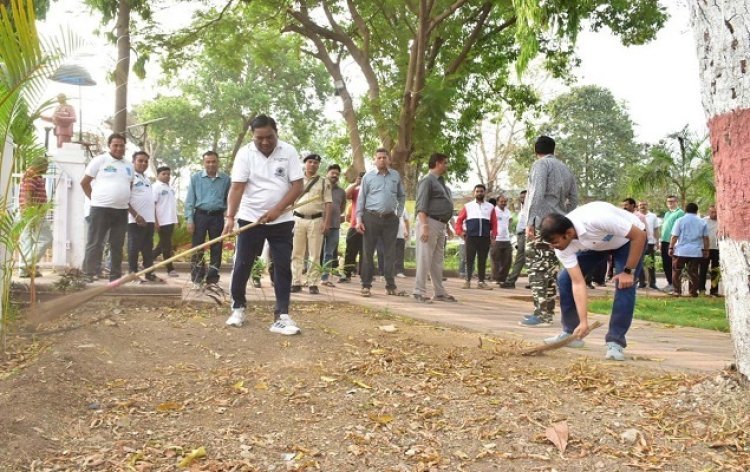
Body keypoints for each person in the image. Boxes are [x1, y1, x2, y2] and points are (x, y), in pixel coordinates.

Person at [223, 114, 304, 335]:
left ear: (276, 132)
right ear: (253, 136)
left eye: (269, 137)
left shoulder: (288, 152)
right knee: (242, 264)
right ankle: (238, 308)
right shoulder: (244, 153)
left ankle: (282, 315)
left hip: (282, 220)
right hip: (250, 218)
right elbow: (237, 187)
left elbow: (298, 186)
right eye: (260, 138)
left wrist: (278, 209)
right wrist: (230, 217)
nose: (265, 142)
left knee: (281, 265)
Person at [539, 202, 647, 361]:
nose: (554, 247)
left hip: (628, 240)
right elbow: (578, 282)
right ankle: (573, 333)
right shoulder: (562, 244)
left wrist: (628, 272)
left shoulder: (597, 220)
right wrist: (584, 322)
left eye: (555, 242)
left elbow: (639, 236)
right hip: (598, 245)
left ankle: (615, 342)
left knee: (624, 285)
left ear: (568, 233)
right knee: (565, 279)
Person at [519, 136, 578, 327]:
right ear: (554, 149)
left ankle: (541, 314)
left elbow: (536, 192)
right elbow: (574, 197)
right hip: (559, 224)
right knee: (551, 269)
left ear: (536, 149)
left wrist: (531, 221)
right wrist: (565, 218)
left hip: (542, 223)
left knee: (537, 268)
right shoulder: (565, 168)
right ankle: (548, 312)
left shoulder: (540, 165)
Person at [81, 133, 133, 282]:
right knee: (95, 242)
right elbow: (84, 183)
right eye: (115, 145)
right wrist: (95, 200)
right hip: (100, 209)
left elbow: (129, 186)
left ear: (125, 147)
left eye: (121, 145)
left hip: (121, 211)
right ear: (109, 146)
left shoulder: (129, 165)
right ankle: (88, 274)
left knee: (117, 244)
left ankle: (115, 276)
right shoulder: (100, 160)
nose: (118, 148)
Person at [356, 148, 406, 298]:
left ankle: (390, 285)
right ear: (375, 160)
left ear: (389, 160)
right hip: (371, 218)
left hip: (390, 219)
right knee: (368, 253)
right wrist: (359, 220)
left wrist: (398, 213)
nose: (382, 160)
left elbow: (401, 196)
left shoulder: (395, 176)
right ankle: (366, 285)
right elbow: (361, 199)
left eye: (385, 157)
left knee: (390, 253)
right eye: (379, 158)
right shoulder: (368, 177)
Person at [412, 152, 455, 303]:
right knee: (424, 258)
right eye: (445, 163)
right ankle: (419, 291)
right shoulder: (427, 181)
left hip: (440, 224)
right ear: (437, 163)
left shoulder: (440, 182)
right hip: (429, 223)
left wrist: (447, 225)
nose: (446, 166)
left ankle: (439, 292)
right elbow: (421, 206)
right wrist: (424, 226)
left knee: (437, 260)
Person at [184, 151, 231, 287]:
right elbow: (190, 200)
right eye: (208, 162)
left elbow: (229, 200)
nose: (211, 164)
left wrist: (229, 218)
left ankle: (212, 279)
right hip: (200, 216)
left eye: (213, 161)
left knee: (217, 247)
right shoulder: (196, 178)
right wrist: (189, 219)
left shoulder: (226, 179)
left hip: (217, 217)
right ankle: (197, 278)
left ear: (218, 162)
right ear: (203, 163)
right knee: (197, 247)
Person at [291, 153, 332, 294]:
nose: (312, 165)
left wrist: (326, 223)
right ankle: (296, 281)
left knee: (315, 254)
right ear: (305, 163)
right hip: (297, 219)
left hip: (316, 220)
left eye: (315, 163)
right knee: (297, 252)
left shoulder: (323, 181)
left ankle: (313, 283)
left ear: (318, 165)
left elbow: (328, 203)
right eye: (310, 162)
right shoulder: (296, 179)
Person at [455, 184, 496, 289]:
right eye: (477, 191)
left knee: (482, 260)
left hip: (485, 237)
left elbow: (494, 223)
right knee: (469, 259)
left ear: (484, 193)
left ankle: (481, 282)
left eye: (481, 191)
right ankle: (467, 281)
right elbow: (459, 220)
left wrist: (493, 236)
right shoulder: (468, 206)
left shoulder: (490, 207)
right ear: (474, 193)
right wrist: (460, 232)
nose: (479, 193)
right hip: (471, 237)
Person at [17, 157, 52, 277]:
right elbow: (27, 197)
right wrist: (31, 215)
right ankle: (25, 265)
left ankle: (24, 271)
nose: (47, 168)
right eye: (46, 165)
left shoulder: (33, 177)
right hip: (33, 214)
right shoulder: (31, 177)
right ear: (40, 165)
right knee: (46, 239)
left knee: (28, 242)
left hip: (30, 214)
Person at [126, 151, 158, 282]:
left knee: (147, 249)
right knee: (134, 248)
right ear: (133, 161)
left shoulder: (147, 179)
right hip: (135, 220)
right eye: (140, 160)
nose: (143, 163)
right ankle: (132, 274)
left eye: (146, 161)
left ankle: (149, 273)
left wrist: (154, 220)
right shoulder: (129, 176)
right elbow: (124, 198)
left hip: (149, 220)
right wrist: (136, 215)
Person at [669, 203, 708, 297]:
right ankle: (693, 292)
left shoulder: (680, 220)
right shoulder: (702, 222)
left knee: (677, 271)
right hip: (696, 251)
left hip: (681, 251)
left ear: (685, 210)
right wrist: (706, 250)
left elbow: (675, 236)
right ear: (696, 210)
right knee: (694, 272)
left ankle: (676, 291)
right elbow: (705, 238)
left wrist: (671, 247)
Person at [321, 164, 347, 286]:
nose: (335, 175)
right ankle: (312, 278)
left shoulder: (341, 192)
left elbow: (342, 208)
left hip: (335, 226)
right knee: (315, 252)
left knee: (329, 253)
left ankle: (324, 278)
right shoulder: (320, 187)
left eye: (337, 174)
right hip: (318, 224)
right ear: (327, 173)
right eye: (333, 173)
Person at [152, 166, 179, 277]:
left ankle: (146, 261)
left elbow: (171, 206)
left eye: (168, 174)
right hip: (161, 221)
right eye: (164, 174)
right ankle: (170, 269)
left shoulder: (170, 188)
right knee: (166, 246)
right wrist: (155, 221)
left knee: (162, 246)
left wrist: (176, 220)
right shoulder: (155, 187)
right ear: (158, 175)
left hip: (170, 220)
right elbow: (152, 204)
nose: (167, 176)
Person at [339, 171, 365, 283]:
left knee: (366, 253)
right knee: (350, 252)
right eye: (362, 178)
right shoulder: (356, 190)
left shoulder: (374, 191)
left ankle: (365, 277)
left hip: (370, 227)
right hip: (354, 225)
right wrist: (355, 183)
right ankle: (346, 275)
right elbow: (345, 195)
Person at [501, 190, 527, 289]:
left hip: (526, 234)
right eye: (521, 197)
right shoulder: (522, 209)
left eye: (525, 197)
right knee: (525, 258)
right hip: (520, 235)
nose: (523, 199)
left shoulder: (531, 208)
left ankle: (511, 281)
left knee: (521, 258)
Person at [659, 195, 684, 292]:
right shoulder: (667, 213)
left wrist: (673, 244)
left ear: (676, 202)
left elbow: (680, 229)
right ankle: (670, 283)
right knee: (666, 263)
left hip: (673, 242)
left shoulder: (680, 213)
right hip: (664, 241)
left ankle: (675, 285)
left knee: (673, 264)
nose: (670, 203)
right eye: (668, 201)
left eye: (672, 201)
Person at [490, 195, 513, 286]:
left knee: (507, 260)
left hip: (506, 238)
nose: (503, 203)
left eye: (505, 201)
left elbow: (510, 220)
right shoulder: (493, 211)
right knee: (496, 260)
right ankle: (495, 278)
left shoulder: (507, 211)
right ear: (497, 202)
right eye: (501, 201)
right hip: (496, 239)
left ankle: (503, 278)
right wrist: (491, 237)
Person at [699, 204, 720, 296]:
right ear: (709, 212)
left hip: (717, 249)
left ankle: (714, 290)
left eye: (716, 212)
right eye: (712, 212)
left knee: (715, 270)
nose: (714, 214)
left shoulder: (722, 221)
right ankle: (702, 290)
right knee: (703, 269)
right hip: (705, 248)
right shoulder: (703, 221)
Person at [637, 200, 660, 289]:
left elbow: (656, 229)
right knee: (639, 263)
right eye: (640, 205)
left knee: (651, 263)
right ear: (638, 206)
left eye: (644, 204)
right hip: (638, 242)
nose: (642, 206)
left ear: (648, 205)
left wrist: (657, 242)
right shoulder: (635, 216)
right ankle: (641, 282)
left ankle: (652, 283)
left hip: (650, 242)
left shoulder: (653, 216)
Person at [395, 208, 411, 278]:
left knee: (400, 254)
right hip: (389, 235)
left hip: (401, 235)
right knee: (389, 254)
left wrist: (407, 232)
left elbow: (406, 221)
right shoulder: (388, 207)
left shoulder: (403, 208)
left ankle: (399, 271)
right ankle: (390, 271)